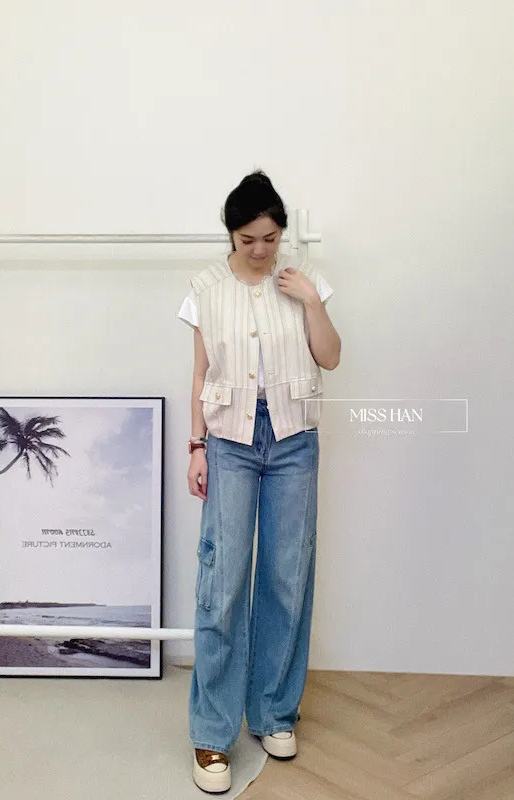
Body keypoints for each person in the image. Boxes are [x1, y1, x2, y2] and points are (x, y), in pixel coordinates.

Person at [177, 170, 341, 794]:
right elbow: (200, 374)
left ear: (282, 234)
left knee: (286, 577)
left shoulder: (302, 280)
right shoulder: (206, 289)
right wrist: (196, 446)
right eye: (248, 240)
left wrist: (312, 302)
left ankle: (274, 711)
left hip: (295, 439)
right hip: (229, 441)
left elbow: (331, 356)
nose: (260, 250)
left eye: (270, 238)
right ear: (231, 235)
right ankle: (212, 733)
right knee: (222, 582)